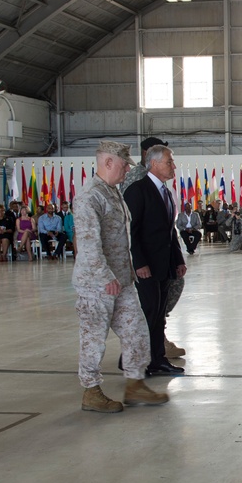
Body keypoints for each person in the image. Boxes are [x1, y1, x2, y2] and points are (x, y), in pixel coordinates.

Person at [72, 140, 167, 413]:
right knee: (93, 337)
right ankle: (91, 391)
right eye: (124, 164)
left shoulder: (112, 193)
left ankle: (135, 385)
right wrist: (105, 277)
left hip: (122, 280)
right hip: (97, 283)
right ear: (108, 162)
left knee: (137, 331)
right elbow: (88, 244)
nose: (127, 169)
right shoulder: (89, 196)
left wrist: (124, 274)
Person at [124, 145, 187, 377]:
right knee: (148, 314)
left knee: (158, 315)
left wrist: (178, 259)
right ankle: (133, 359)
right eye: (169, 162)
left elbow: (169, 231)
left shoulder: (166, 192)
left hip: (164, 265)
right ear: (154, 164)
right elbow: (131, 231)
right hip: (146, 267)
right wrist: (139, 263)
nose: (173, 166)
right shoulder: (138, 190)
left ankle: (156, 360)